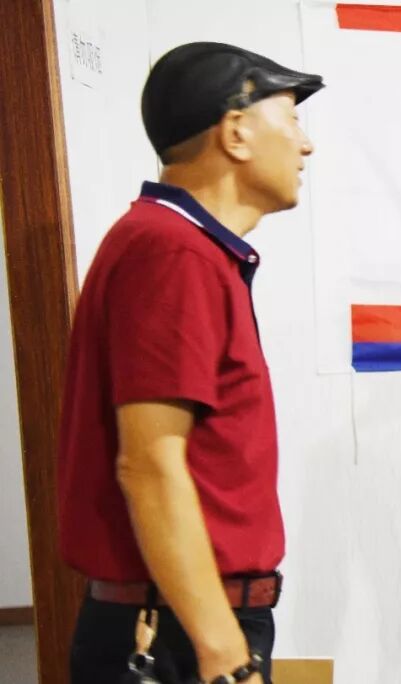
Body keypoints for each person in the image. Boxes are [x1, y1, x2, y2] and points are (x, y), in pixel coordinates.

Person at [57, 42, 322, 684]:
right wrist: (222, 651)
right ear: (236, 132)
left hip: (181, 621)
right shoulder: (173, 251)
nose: (306, 145)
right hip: (176, 634)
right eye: (291, 119)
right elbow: (149, 464)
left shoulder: (179, 244)